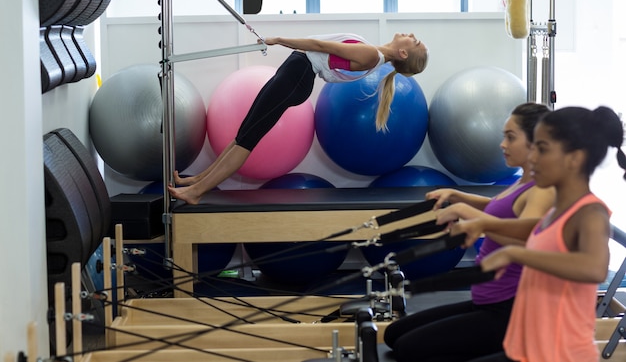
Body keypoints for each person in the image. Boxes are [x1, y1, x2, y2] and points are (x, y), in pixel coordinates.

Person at [451, 106, 626, 362]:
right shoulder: (558, 212)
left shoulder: (591, 213)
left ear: (574, 158)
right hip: (528, 346)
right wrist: (482, 225)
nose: (532, 159)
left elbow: (595, 268)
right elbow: (530, 229)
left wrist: (514, 252)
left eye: (542, 149)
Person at [168, 32, 429, 204]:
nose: (412, 36)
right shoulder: (374, 53)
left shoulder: (371, 55)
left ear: (404, 55)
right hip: (295, 74)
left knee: (247, 139)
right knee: (243, 134)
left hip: (296, 77)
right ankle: (197, 181)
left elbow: (319, 46)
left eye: (415, 42)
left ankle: (196, 193)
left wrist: (280, 39)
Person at [383, 102, 556, 362]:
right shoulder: (524, 179)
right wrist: (456, 195)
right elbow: (497, 209)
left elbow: (530, 239)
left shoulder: (543, 189)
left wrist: (469, 215)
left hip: (512, 309)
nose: (502, 144)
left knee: (408, 349)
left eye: (510, 137)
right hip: (487, 299)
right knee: (394, 334)